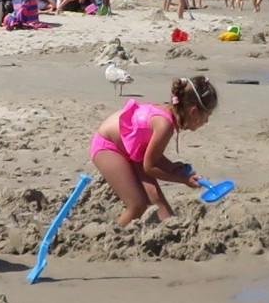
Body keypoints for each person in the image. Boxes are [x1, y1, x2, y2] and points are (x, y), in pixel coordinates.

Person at [90, 76, 218, 227]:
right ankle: (113, 238)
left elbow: (151, 154)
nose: (207, 122)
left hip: (131, 149)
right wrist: (182, 180)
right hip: (108, 147)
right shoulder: (164, 125)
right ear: (193, 112)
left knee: (155, 196)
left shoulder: (168, 113)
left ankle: (171, 229)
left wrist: (172, 168)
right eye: (207, 117)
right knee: (137, 205)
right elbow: (149, 167)